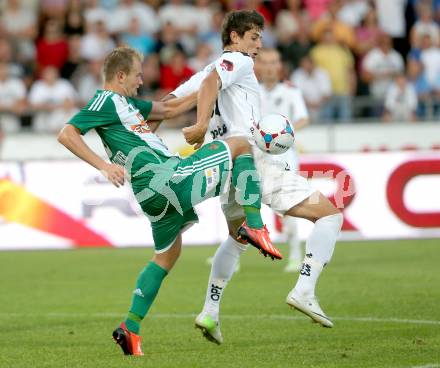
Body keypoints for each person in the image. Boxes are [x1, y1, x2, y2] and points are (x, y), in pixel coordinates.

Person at [57, 46, 280, 356]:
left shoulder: (128, 105)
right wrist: (104, 166)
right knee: (243, 145)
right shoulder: (104, 101)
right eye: (136, 75)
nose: (141, 80)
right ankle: (255, 226)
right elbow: (67, 133)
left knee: (167, 255)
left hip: (152, 195)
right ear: (120, 76)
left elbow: (171, 109)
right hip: (166, 178)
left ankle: (130, 328)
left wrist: (209, 82)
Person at [170, 10, 343, 344]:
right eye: (254, 37)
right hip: (253, 162)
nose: (259, 46)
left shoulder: (209, 68)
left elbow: (170, 103)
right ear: (234, 38)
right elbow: (208, 85)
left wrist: (145, 128)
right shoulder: (239, 62)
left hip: (225, 167)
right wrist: (202, 122)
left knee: (237, 239)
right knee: (329, 216)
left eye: (261, 39)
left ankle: (210, 311)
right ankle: (305, 289)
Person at [255, 48, 309, 272]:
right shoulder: (251, 91)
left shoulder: (290, 91)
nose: (270, 67)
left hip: (284, 157)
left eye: (274, 62)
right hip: (256, 155)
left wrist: (283, 135)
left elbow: (303, 118)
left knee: (287, 206)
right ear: (258, 66)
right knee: (242, 205)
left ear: (280, 66)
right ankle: (233, 259)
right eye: (265, 62)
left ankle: (296, 254)